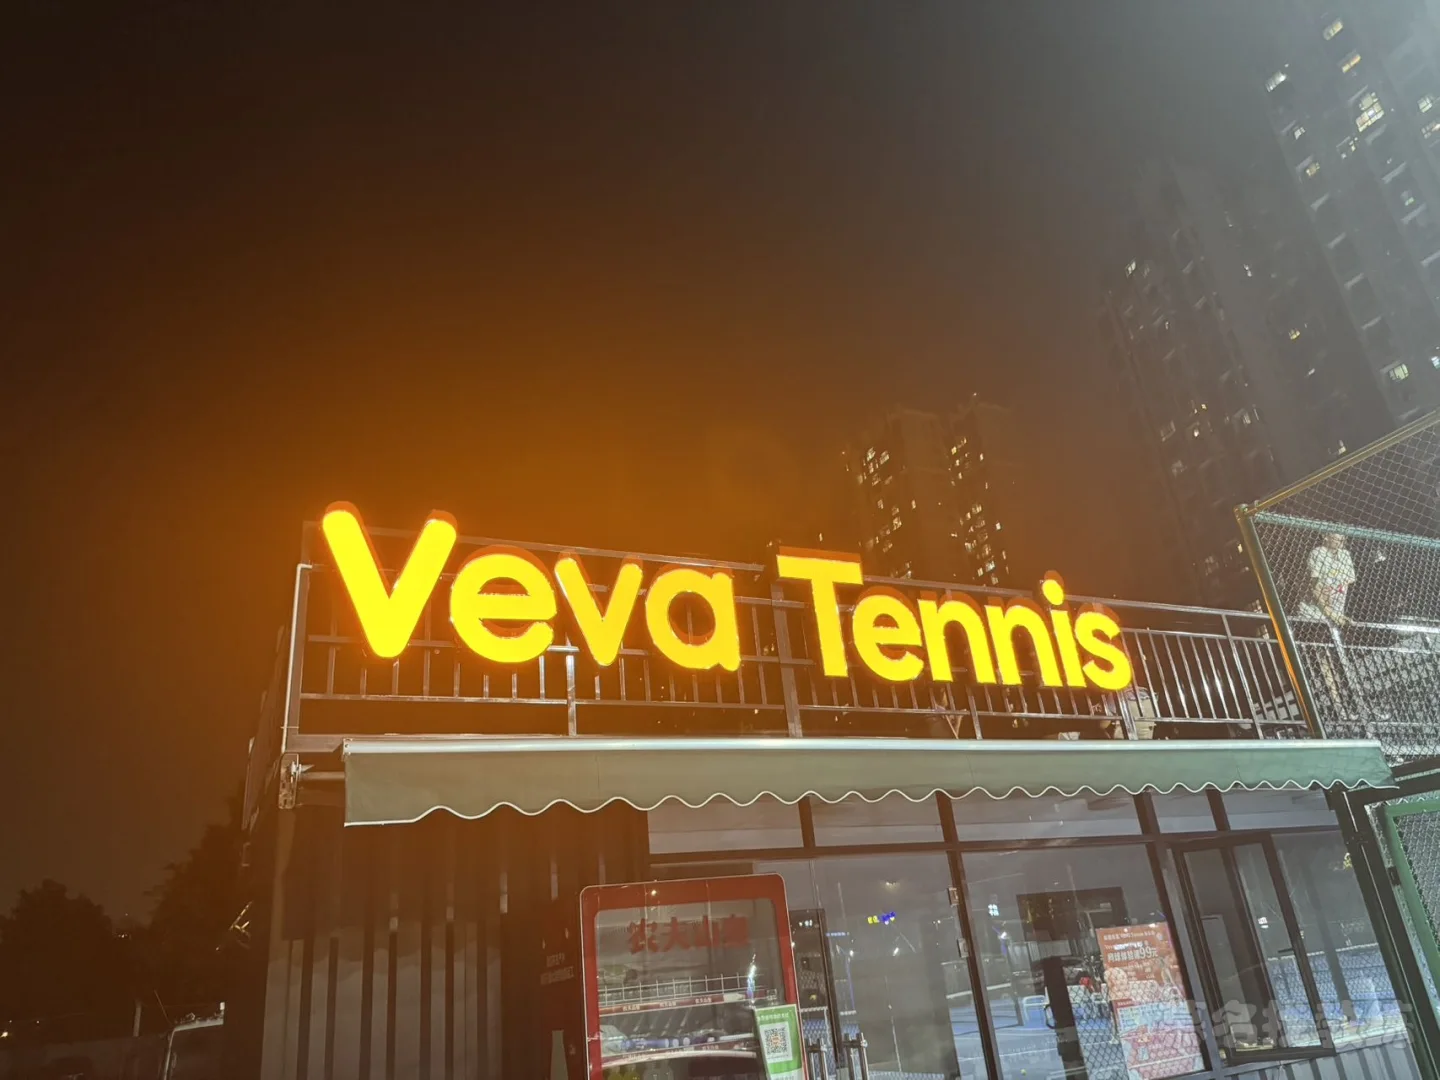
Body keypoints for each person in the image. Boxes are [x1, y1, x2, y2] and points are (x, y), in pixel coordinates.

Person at [1298, 531, 1356, 626]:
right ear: (1325, 536)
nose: (1341, 540)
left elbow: (1350, 578)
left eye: (1342, 538)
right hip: (1314, 613)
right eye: (1336, 537)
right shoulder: (1317, 553)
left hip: (1336, 611)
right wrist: (1330, 613)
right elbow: (1314, 587)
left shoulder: (1344, 554)